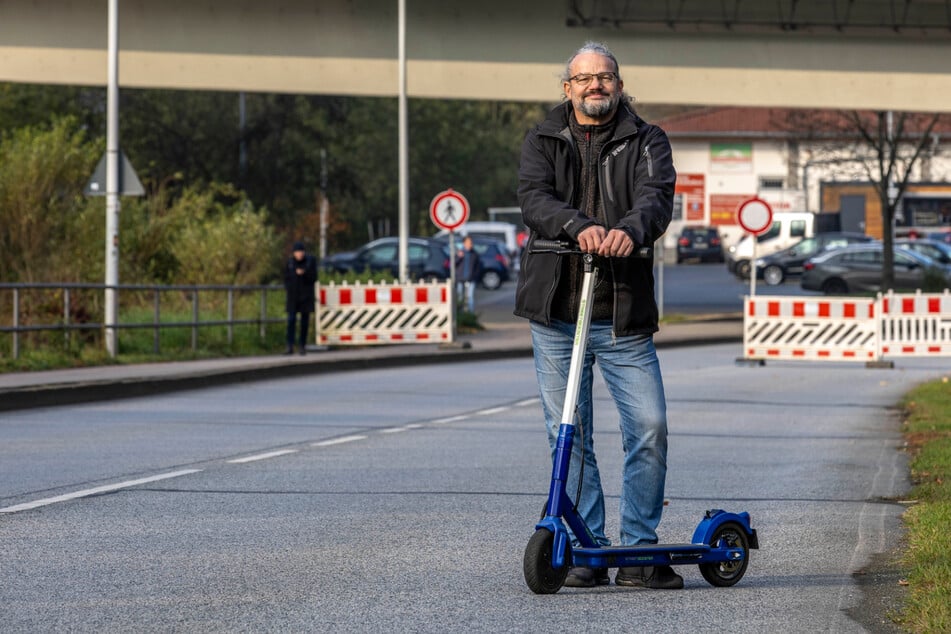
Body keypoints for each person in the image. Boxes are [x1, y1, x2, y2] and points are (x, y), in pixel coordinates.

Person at [515, 41, 680, 589]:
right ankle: (588, 548)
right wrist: (574, 225)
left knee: (649, 426)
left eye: (605, 78)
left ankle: (639, 550)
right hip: (557, 313)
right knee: (571, 434)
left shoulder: (647, 139)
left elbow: (656, 199)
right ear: (568, 87)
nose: (596, 87)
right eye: (584, 79)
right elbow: (533, 198)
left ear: (619, 83)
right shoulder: (542, 139)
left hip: (621, 315)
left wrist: (628, 231)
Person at [283, 241, 317, 355]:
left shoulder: (310, 262)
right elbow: (286, 278)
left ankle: (302, 345)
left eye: (301, 252)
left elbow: (314, 277)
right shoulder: (290, 263)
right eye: (297, 252)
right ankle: (290, 345)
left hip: (305, 296)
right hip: (293, 296)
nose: (299, 254)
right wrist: (289, 287)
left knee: (304, 322)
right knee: (291, 320)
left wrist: (304, 273)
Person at [455, 235, 483, 313]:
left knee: (470, 297)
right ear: (464, 243)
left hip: (471, 278)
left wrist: (476, 276)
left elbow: (478, 266)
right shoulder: (459, 253)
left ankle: (470, 314)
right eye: (469, 243)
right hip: (460, 278)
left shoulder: (474, 254)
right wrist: (459, 257)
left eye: (471, 243)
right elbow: (453, 264)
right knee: (460, 297)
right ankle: (460, 313)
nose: (470, 244)